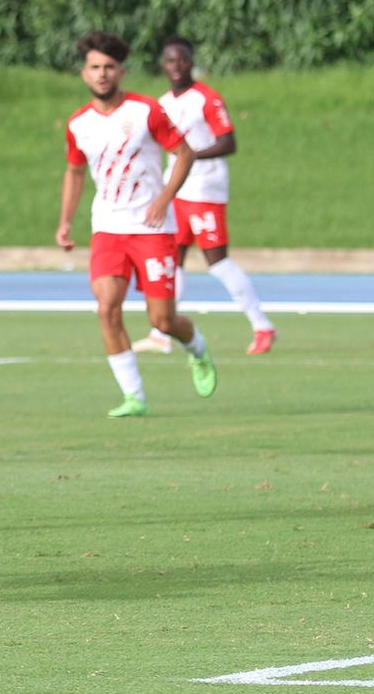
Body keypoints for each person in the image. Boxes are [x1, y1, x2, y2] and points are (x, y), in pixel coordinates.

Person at [56, 31, 217, 417]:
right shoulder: (79, 124)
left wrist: (163, 199)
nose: (102, 74)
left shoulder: (146, 111)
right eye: (95, 67)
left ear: (121, 72)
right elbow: (75, 172)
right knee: (106, 309)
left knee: (161, 319)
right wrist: (65, 222)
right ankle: (134, 397)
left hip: (152, 229)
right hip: (108, 229)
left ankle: (197, 349)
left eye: (109, 67)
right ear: (84, 74)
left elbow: (184, 153)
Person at [132, 36, 276, 357]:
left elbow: (229, 142)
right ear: (163, 65)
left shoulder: (207, 99)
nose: (176, 66)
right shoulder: (161, 104)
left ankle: (262, 325)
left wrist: (192, 155)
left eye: (182, 60)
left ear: (191, 62)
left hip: (204, 190)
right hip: (175, 190)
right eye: (170, 61)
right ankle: (160, 332)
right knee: (174, 260)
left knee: (217, 261)